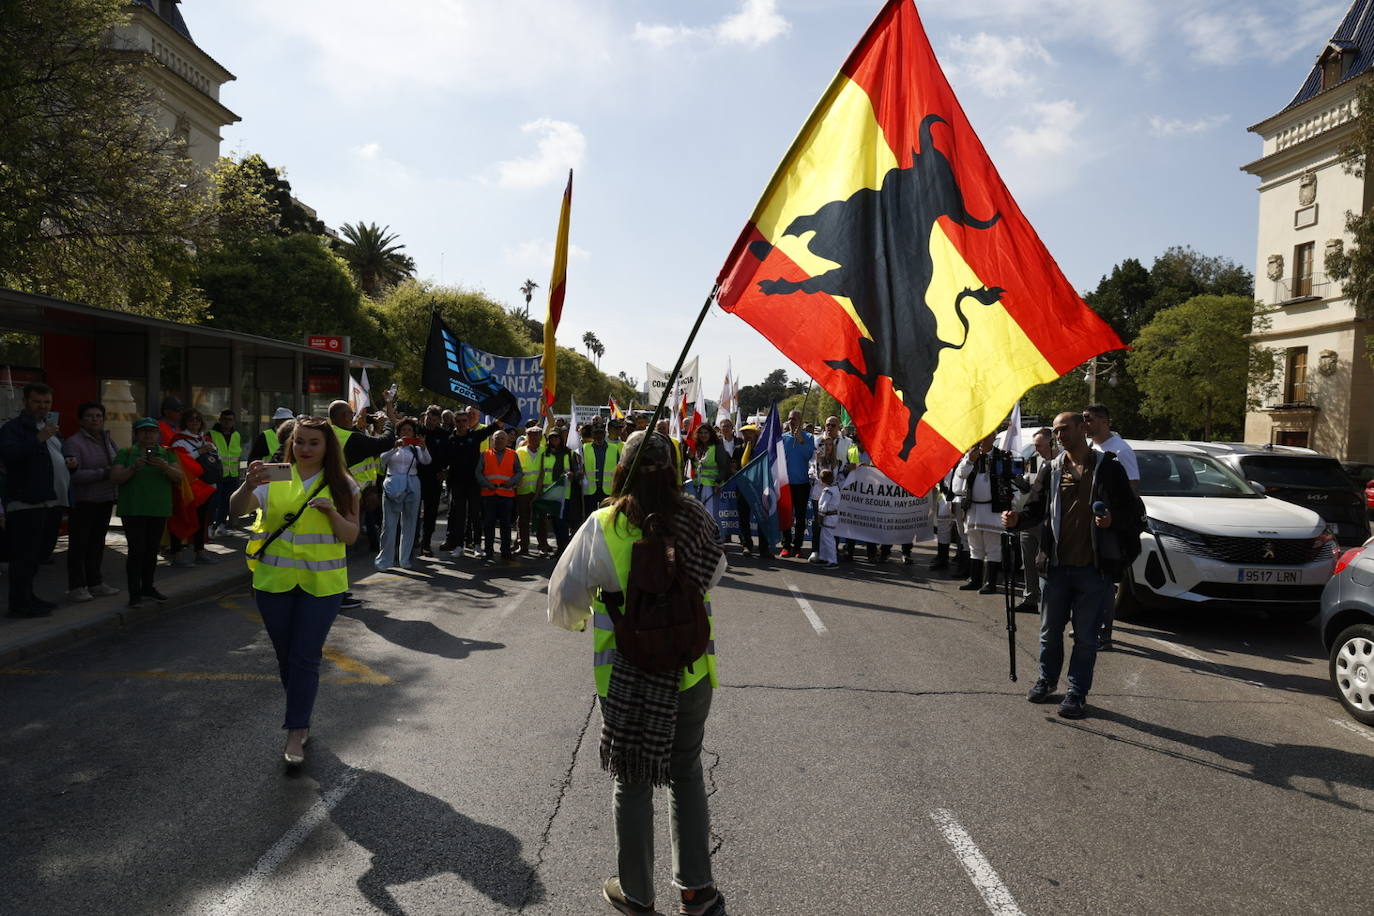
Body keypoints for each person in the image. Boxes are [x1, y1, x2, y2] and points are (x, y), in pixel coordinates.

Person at [548, 431, 728, 916]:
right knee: (685, 772)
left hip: (624, 678)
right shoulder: (696, 519)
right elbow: (712, 576)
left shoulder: (601, 525)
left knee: (632, 779)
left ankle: (637, 894)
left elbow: (563, 603)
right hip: (687, 674)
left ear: (619, 471)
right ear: (674, 470)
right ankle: (696, 890)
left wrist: (591, 614)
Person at [231, 416, 359, 766]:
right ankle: (301, 717)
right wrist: (245, 486)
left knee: (305, 656)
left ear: (326, 447)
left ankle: (295, 731)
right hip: (274, 583)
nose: (304, 448)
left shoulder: (343, 484)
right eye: (299, 441)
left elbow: (350, 536)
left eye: (313, 443)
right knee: (287, 657)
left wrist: (332, 513)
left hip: (322, 586)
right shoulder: (275, 475)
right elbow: (236, 511)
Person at [1002, 411, 1143, 720]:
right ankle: (1047, 681)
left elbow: (1133, 512)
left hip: (1094, 570)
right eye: (1055, 431)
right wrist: (1017, 521)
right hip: (1055, 568)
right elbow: (1036, 509)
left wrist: (1112, 520)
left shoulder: (1109, 469)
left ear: (1082, 428)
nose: (1059, 435)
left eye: (1065, 429)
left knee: (1086, 637)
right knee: (1049, 632)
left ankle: (1076, 693)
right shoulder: (1051, 469)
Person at [0, 383, 69, 617]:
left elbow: (55, 459)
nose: (43, 407)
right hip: (27, 502)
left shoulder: (51, 429)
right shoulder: (13, 428)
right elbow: (10, 456)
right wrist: (38, 438)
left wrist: (70, 462)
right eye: (37, 402)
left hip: (51, 501)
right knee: (23, 556)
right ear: (25, 402)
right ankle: (19, 603)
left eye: (47, 402)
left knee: (39, 554)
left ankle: (29, 596)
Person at [1082, 403, 1139, 650]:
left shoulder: (1120, 450)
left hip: (1109, 525)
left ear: (1105, 421)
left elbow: (1133, 489)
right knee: (1087, 577)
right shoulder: (1091, 448)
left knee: (1105, 580)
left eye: (1089, 419)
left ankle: (1104, 634)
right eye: (1083, 419)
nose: (1085, 424)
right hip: (1090, 522)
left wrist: (1113, 517)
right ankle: (1088, 625)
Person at [62, 402, 129, 601]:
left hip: (105, 498)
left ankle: (95, 583)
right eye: (90, 416)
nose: (95, 419)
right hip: (84, 501)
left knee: (97, 544)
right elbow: (74, 476)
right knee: (79, 545)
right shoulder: (73, 442)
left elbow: (117, 462)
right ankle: (76, 586)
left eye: (98, 416)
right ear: (81, 420)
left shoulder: (107, 439)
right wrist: (105, 473)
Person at [114, 418, 183, 608]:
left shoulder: (167, 454)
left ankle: (148, 587)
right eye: (143, 431)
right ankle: (134, 593)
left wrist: (165, 467)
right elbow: (116, 478)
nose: (148, 434)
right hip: (133, 510)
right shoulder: (126, 453)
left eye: (152, 431)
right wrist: (133, 468)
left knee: (152, 551)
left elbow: (179, 478)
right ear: (136, 434)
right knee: (136, 552)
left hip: (158, 510)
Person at [954, 433, 1013, 593]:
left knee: (993, 547)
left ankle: (991, 583)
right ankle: (974, 580)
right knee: (974, 546)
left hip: (994, 509)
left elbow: (1010, 478)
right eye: (980, 437)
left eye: (986, 436)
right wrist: (970, 460)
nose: (982, 440)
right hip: (973, 508)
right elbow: (961, 474)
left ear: (993, 437)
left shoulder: (1003, 456)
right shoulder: (971, 455)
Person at [442, 408, 501, 558]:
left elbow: (494, 426)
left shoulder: (475, 436)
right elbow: (446, 460)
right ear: (454, 422)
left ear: (469, 422)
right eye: (458, 421)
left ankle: (476, 545)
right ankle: (458, 546)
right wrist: (444, 471)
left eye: (464, 421)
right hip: (457, 483)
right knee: (459, 514)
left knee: (475, 514)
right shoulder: (450, 439)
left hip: (474, 482)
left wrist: (506, 411)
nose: (461, 424)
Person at [376, 417, 430, 570]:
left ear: (414, 433)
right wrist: (394, 447)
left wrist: (424, 447)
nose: (406, 433)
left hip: (412, 484)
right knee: (389, 525)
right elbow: (382, 461)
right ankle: (385, 560)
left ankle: (404, 559)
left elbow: (427, 461)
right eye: (403, 430)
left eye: (409, 430)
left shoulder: (416, 448)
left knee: (410, 523)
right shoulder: (391, 445)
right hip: (393, 485)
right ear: (398, 432)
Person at [169, 408, 218, 567]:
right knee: (182, 518)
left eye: (197, 419)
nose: (195, 422)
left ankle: (200, 551)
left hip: (206, 487)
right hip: (187, 488)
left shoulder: (204, 438)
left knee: (202, 520)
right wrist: (200, 451)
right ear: (185, 422)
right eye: (191, 419)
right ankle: (177, 553)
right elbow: (180, 461)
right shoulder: (178, 440)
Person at [1014, 428, 1055, 613]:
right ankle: (1030, 599)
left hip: (1048, 520)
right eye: (1035, 445)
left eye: (1039, 445)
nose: (1036, 449)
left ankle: (1051, 602)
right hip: (1029, 517)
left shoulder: (1061, 462)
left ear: (1050, 442)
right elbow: (1029, 485)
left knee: (1045, 563)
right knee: (1028, 560)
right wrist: (1021, 483)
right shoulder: (1034, 460)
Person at [476, 429, 523, 566]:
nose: (499, 440)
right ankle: (488, 551)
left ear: (507, 440)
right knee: (488, 524)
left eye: (502, 438)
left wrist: (512, 481)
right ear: (492, 440)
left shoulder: (513, 454)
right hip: (489, 495)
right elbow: (478, 473)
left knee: (506, 525)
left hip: (506, 495)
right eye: (497, 438)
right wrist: (486, 484)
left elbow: (519, 472)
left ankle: (505, 551)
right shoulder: (485, 454)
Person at [535, 428, 580, 555]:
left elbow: (577, 470)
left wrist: (573, 474)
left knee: (562, 522)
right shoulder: (545, 454)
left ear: (561, 439)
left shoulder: (569, 453)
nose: (554, 440)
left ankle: (563, 548)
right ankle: (560, 547)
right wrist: (539, 493)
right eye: (551, 438)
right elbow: (542, 474)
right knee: (554, 521)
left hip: (563, 493)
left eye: (556, 437)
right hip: (549, 492)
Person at [412, 406, 449, 558]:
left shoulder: (444, 435)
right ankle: (412, 540)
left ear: (439, 420)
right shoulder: (415, 430)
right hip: (415, 477)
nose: (431, 422)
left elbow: (449, 456)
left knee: (430, 513)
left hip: (435, 479)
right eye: (429, 418)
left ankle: (426, 543)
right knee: (412, 511)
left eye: (434, 420)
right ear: (424, 416)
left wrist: (446, 471)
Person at [779, 410, 814, 558]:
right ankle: (786, 545)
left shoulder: (809, 437)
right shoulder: (783, 438)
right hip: (786, 483)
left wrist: (801, 440)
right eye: (789, 419)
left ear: (800, 419)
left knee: (800, 516)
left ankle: (798, 547)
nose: (791, 421)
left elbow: (809, 456)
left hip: (802, 484)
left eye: (794, 418)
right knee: (786, 516)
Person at [209, 409, 243, 536]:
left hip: (232, 474)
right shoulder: (211, 434)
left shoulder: (236, 435)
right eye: (225, 419)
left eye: (230, 420)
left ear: (233, 421)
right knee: (214, 502)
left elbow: (237, 454)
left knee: (227, 501)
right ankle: (211, 527)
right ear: (220, 420)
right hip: (217, 474)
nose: (227, 422)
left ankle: (221, 526)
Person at [514, 426, 545, 556]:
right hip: (523, 491)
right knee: (523, 519)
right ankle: (523, 546)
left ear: (541, 437)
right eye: (530, 435)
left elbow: (544, 471)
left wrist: (539, 492)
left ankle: (542, 546)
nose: (533, 437)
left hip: (541, 491)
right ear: (526, 436)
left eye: (536, 435)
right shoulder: (519, 451)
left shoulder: (545, 450)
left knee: (541, 519)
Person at [582, 423, 622, 518]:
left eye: (600, 433)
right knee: (590, 517)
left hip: (607, 490)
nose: (598, 436)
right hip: (590, 490)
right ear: (592, 435)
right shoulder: (584, 448)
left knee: (607, 517)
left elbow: (619, 468)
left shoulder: (614, 448)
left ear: (604, 434)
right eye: (596, 434)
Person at [810, 467, 841, 569]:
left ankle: (833, 561)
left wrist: (820, 518)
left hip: (828, 517)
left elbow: (822, 506)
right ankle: (824, 558)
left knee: (828, 539)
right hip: (833, 516)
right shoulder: (836, 488)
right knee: (824, 538)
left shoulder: (827, 491)